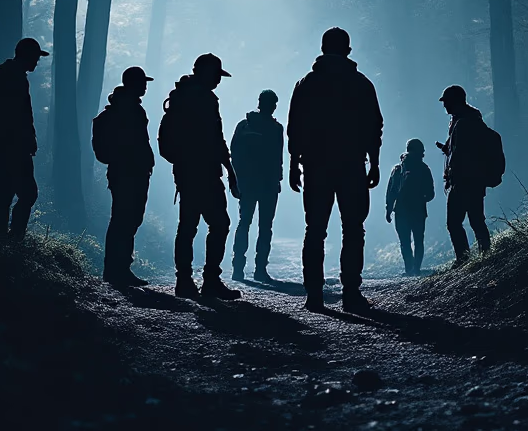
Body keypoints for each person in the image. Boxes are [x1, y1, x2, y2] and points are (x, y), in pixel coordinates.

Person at [287, 27, 384, 313]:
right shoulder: (361, 84)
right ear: (348, 50)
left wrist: (294, 163)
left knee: (314, 229)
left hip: (316, 166)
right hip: (352, 166)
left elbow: (295, 127)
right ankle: (351, 293)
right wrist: (374, 161)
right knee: (353, 228)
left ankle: (314, 294)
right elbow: (373, 126)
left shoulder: (306, 83)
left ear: (322, 48)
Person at [158, 53, 242, 300]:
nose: (219, 80)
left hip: (187, 171)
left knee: (188, 226)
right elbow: (216, 138)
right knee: (218, 224)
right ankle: (209, 281)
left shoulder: (182, 96)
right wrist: (229, 170)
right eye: (217, 74)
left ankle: (185, 281)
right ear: (206, 73)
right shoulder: (203, 98)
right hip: (203, 171)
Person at [93, 66, 155, 287]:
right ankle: (116, 270)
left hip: (130, 171)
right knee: (124, 219)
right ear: (134, 84)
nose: (146, 86)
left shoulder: (129, 107)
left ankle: (117, 269)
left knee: (127, 219)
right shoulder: (128, 109)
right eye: (143, 82)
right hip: (128, 171)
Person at [0, 38, 48, 239]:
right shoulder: (14, 78)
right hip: (13, 145)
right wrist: (27, 139)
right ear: (27, 55)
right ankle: (11, 239)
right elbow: (17, 115)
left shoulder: (8, 74)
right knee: (27, 193)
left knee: (6, 190)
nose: (37, 62)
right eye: (36, 57)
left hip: (5, 143)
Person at [230, 90, 284, 283]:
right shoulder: (276, 128)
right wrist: (278, 178)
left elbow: (233, 153)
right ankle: (259, 270)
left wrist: (236, 179)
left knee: (246, 223)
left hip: (250, 183)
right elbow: (278, 157)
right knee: (263, 227)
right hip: (265, 183)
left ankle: (240, 269)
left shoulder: (244, 126)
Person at [437, 85, 492, 266]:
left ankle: (464, 259)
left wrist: (453, 175)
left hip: (463, 181)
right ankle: (485, 255)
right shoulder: (467, 120)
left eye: (446, 102)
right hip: (474, 180)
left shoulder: (463, 123)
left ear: (454, 101)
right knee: (476, 219)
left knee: (455, 223)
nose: (445, 106)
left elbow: (462, 154)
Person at [385, 139, 435, 275]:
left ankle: (409, 269)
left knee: (405, 242)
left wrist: (389, 210)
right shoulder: (424, 169)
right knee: (419, 240)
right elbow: (431, 194)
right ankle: (416, 269)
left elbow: (391, 192)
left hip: (401, 211)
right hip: (419, 210)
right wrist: (421, 199)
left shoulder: (398, 169)